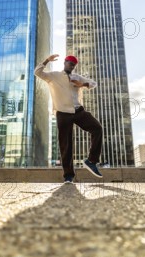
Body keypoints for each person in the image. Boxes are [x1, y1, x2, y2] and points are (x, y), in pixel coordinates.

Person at [34, 54, 103, 183]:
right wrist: (47, 60)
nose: (71, 66)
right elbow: (38, 72)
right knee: (66, 144)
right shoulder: (54, 76)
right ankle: (68, 176)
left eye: (73, 65)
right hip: (63, 113)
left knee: (97, 128)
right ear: (65, 62)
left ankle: (91, 161)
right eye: (69, 63)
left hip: (78, 111)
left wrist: (82, 84)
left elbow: (94, 83)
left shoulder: (76, 77)